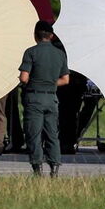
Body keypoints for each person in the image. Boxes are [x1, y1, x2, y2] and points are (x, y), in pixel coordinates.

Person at [19, 20, 70, 177]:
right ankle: (54, 167)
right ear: (52, 36)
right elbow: (66, 80)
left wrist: (35, 82)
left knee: (34, 134)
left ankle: (37, 167)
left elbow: (23, 78)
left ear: (35, 36)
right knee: (52, 134)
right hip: (52, 99)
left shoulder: (31, 52)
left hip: (34, 98)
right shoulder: (60, 54)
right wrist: (49, 83)